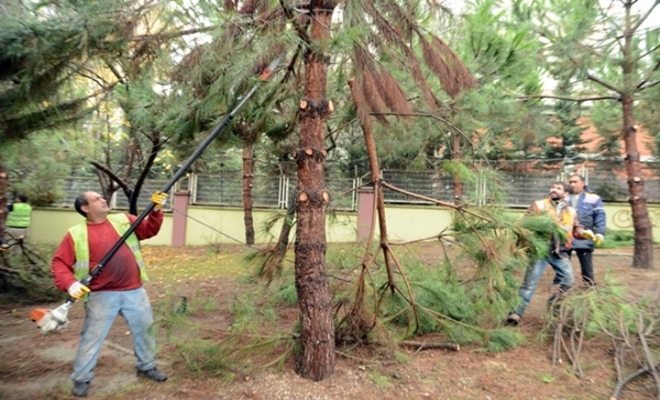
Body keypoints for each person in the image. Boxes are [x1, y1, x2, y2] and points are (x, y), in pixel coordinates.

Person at [51, 190, 168, 397]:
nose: (103, 199)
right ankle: (81, 377)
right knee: (92, 338)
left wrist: (156, 210)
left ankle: (147, 366)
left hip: (134, 290)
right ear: (86, 208)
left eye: (102, 197)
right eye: (97, 199)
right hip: (101, 295)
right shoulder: (76, 233)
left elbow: (149, 230)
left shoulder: (123, 220)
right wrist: (70, 285)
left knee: (145, 330)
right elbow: (59, 263)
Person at [506, 182, 594, 325]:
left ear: (565, 194)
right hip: (540, 251)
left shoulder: (571, 212)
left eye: (558, 188)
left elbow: (575, 228)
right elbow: (524, 223)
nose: (553, 189)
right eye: (552, 187)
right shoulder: (539, 205)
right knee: (529, 284)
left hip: (560, 252)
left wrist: (583, 233)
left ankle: (554, 306)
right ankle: (515, 313)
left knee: (568, 281)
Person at [567, 173, 606, 286]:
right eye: (570, 182)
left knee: (587, 266)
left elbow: (600, 216)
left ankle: (589, 288)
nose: (572, 184)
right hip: (566, 237)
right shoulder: (564, 198)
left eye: (575, 182)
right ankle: (563, 288)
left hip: (584, 236)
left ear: (583, 183)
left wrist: (600, 233)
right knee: (563, 265)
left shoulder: (593, 198)